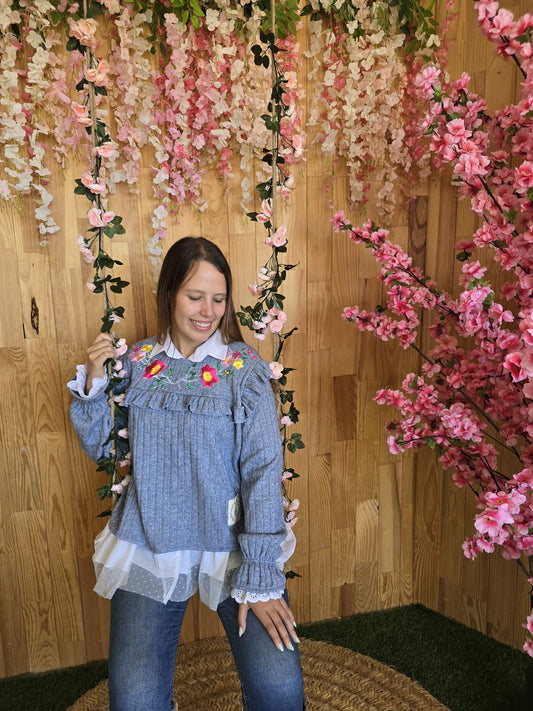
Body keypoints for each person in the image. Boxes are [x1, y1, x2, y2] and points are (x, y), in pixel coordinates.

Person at [68, 236, 304, 711]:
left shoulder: (244, 369)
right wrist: (95, 381)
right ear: (170, 293)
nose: (208, 311)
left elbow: (262, 470)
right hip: (151, 541)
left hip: (234, 545)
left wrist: (260, 575)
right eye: (195, 296)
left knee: (281, 691)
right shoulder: (138, 364)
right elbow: (106, 450)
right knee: (133, 703)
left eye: (218, 299)